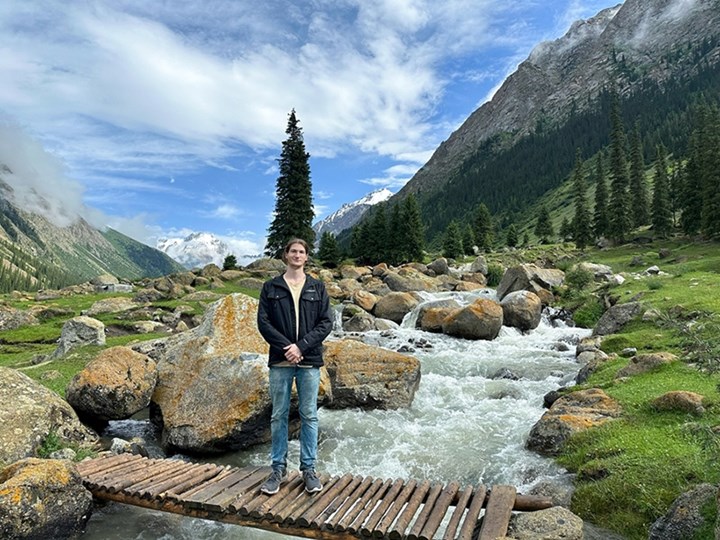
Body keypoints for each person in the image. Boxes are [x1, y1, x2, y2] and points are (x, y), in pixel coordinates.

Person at [257, 238, 333, 495]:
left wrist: (301, 347)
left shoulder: (317, 287)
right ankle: (277, 469)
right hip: (280, 360)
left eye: (301, 252)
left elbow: (326, 323)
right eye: (293, 251)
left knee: (309, 415)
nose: (297, 255)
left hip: (308, 359)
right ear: (286, 255)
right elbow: (264, 323)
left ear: (306, 257)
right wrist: (288, 347)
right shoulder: (271, 287)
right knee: (278, 415)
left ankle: (308, 470)